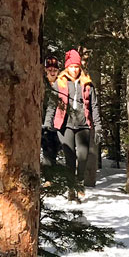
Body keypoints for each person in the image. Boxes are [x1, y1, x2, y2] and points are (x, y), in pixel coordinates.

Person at [44, 49, 101, 188]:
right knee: (70, 158)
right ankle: (71, 188)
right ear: (67, 67)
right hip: (65, 125)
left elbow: (94, 106)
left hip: (83, 125)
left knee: (83, 156)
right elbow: (52, 105)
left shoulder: (87, 84)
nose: (74, 70)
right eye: (71, 67)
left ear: (79, 67)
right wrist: (47, 124)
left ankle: (79, 180)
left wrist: (98, 127)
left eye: (76, 67)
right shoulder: (60, 83)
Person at [41, 54, 61, 168]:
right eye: (49, 70)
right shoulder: (41, 84)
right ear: (45, 70)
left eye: (55, 70)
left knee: (51, 152)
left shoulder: (62, 84)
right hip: (41, 123)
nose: (52, 72)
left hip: (55, 126)